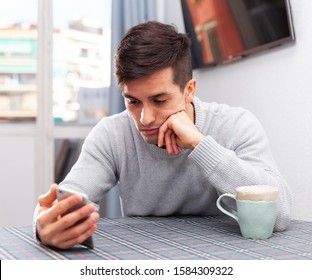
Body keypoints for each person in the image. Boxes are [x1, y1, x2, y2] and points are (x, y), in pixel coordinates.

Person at [34, 21, 292, 249]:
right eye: (133, 101)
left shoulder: (236, 124)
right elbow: (69, 200)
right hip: (142, 258)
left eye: (159, 100)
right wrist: (43, 225)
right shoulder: (112, 134)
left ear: (189, 90)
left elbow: (279, 216)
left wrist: (199, 144)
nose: (145, 118)